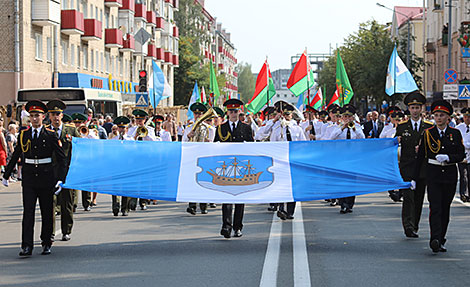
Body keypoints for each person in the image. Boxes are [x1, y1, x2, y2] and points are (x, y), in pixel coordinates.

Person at [2, 100, 66, 256]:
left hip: (46, 177)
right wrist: (6, 174)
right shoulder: (24, 134)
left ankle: (46, 242)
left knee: (46, 212)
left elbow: (61, 158)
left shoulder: (50, 135)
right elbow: (17, 154)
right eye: (32, 116)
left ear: (43, 117)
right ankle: (27, 246)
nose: (34, 119)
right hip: (30, 178)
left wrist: (60, 179)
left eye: (37, 116)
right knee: (28, 212)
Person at [412, 100, 465, 253]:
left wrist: (449, 157)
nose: (439, 118)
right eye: (436, 115)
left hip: (449, 174)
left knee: (444, 208)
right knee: (435, 207)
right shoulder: (428, 133)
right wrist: (414, 178)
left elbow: (461, 154)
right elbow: (420, 157)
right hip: (433, 174)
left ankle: (441, 238)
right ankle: (434, 238)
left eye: (442, 115)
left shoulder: (455, 133)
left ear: (448, 117)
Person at [395, 92, 433, 238]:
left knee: (418, 199)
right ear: (408, 109)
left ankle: (415, 225)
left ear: (422, 109)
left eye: (418, 107)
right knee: (408, 198)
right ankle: (408, 226)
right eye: (412, 108)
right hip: (407, 168)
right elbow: (395, 147)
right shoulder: (402, 127)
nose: (415, 110)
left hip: (422, 169)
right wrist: (396, 141)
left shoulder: (429, 127)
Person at [214, 99, 253, 238]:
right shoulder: (220, 128)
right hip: (226, 168)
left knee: (239, 200)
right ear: (227, 113)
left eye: (236, 111)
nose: (233, 114)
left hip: (241, 168)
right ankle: (226, 226)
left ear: (239, 112)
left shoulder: (246, 128)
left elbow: (251, 148)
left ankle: (237, 227)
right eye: (231, 111)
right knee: (227, 198)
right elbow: (215, 147)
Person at [47, 100, 80, 242]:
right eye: (53, 114)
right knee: (50, 204)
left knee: (67, 203)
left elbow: (80, 149)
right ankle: (50, 232)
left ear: (62, 115)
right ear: (49, 116)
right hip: (50, 172)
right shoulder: (46, 131)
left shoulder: (71, 131)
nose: (55, 117)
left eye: (58, 114)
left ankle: (66, 230)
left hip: (68, 172)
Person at [270, 101, 307, 219]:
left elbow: (303, 145)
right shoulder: (277, 129)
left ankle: (290, 211)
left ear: (291, 115)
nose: (286, 117)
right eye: (284, 115)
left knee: (293, 186)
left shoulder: (298, 129)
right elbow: (272, 145)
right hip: (281, 161)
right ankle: (281, 208)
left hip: (294, 160)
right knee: (281, 185)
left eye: (288, 115)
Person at [329, 104, 365, 213]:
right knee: (341, 180)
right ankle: (342, 203)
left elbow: (362, 138)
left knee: (351, 181)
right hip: (340, 157)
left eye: (349, 117)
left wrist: (354, 128)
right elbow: (331, 138)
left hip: (353, 157)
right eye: (345, 116)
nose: (347, 119)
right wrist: (342, 128)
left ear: (353, 117)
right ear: (342, 117)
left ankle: (350, 204)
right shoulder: (337, 127)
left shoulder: (357, 127)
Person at [183, 103, 213, 215]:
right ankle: (192, 205)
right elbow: (183, 143)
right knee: (192, 181)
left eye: (200, 114)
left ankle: (204, 205)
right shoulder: (189, 128)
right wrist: (188, 136)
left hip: (204, 157)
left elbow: (213, 144)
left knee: (204, 180)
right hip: (192, 157)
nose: (197, 116)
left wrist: (208, 142)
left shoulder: (209, 129)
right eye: (196, 114)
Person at [110, 116, 133, 216]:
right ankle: (115, 206)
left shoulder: (130, 139)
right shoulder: (113, 139)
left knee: (125, 187)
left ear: (126, 128)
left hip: (127, 165)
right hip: (116, 165)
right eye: (120, 128)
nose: (122, 130)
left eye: (123, 128)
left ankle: (125, 208)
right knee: (115, 187)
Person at [72, 113, 94, 211]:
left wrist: (88, 133)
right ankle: (74, 204)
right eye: (75, 122)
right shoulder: (71, 131)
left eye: (79, 123)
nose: (77, 125)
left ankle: (87, 203)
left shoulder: (89, 132)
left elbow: (95, 142)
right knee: (75, 183)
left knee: (86, 182)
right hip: (75, 159)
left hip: (86, 160)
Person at [455, 107, 470, 202]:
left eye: (468, 117)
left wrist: (465, 144)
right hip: (462, 156)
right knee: (463, 176)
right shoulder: (458, 128)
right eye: (465, 117)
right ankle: (463, 194)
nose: (467, 118)